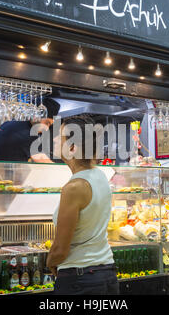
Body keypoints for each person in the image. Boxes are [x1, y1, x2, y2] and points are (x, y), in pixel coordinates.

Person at [47, 115, 119, 295]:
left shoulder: (74, 187)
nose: (55, 138)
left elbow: (60, 249)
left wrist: (50, 262)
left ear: (72, 148)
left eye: (60, 136)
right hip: (106, 273)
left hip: (81, 280)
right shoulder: (101, 175)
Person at [0, 97, 60, 162]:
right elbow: (42, 159)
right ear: (37, 116)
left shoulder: (9, 124)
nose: (47, 128)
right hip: (8, 173)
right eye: (47, 123)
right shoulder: (27, 132)